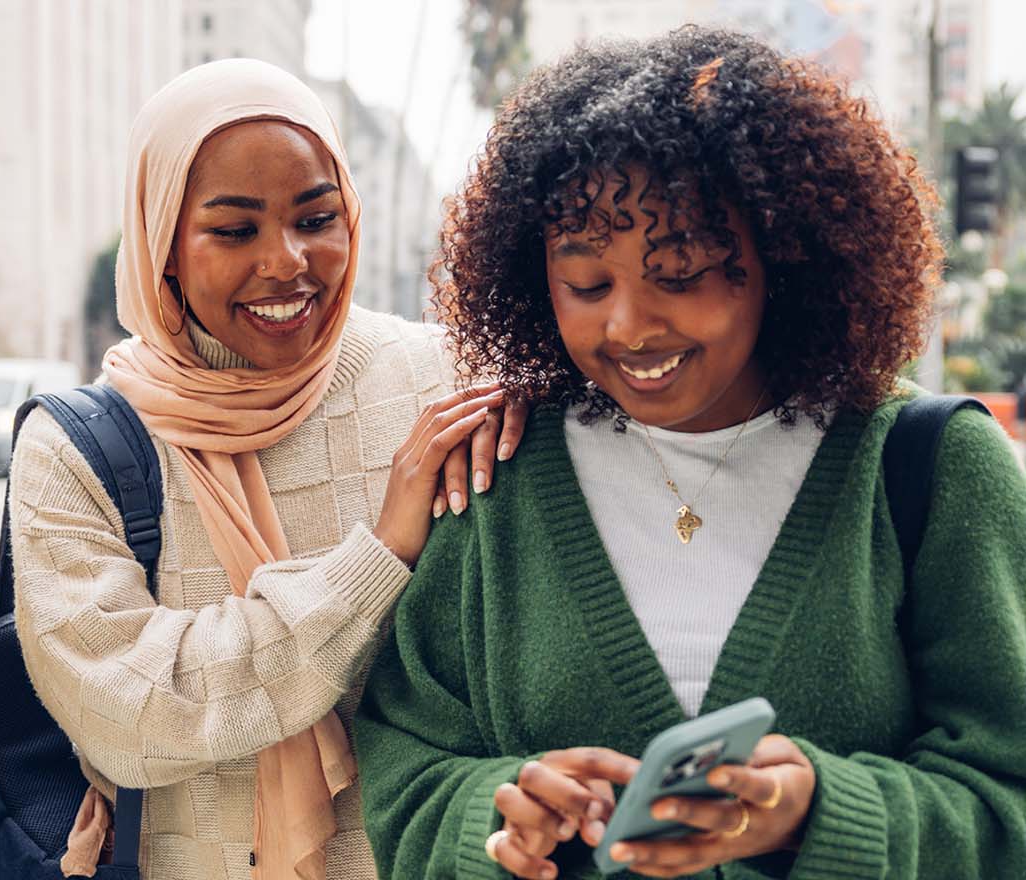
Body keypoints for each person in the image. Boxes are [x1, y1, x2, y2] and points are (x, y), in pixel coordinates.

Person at [355, 26, 1026, 880]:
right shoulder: (499, 474)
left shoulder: (931, 467)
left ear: (783, 253)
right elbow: (405, 772)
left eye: (679, 274)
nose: (629, 326)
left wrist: (819, 816)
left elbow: (1007, 797)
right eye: (586, 284)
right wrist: (497, 814)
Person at [8, 59, 526, 879]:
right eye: (234, 231)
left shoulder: (447, 384)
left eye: (316, 218)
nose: (286, 262)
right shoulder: (78, 449)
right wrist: (376, 560)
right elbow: (126, 716)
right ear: (163, 243)